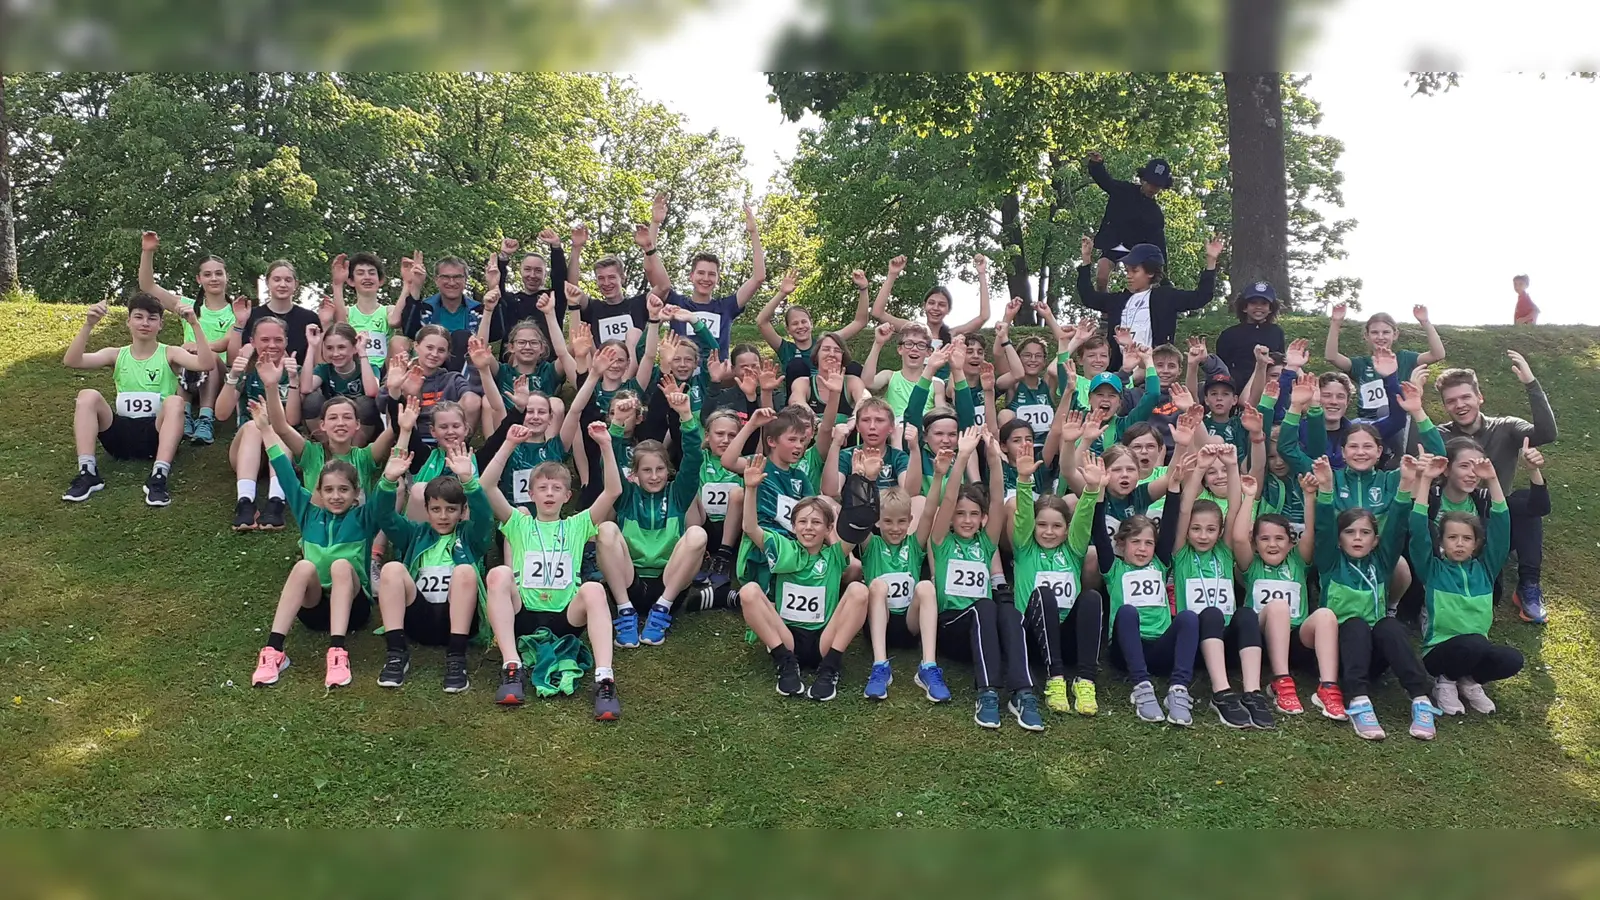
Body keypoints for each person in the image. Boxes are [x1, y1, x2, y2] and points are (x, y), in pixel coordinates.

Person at [480, 421, 625, 721]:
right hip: (523, 614)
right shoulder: (518, 523)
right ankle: (512, 668)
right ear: (530, 494)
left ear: (566, 496)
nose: (549, 493)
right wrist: (508, 444)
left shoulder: (577, 525)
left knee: (595, 589)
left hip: (565, 617)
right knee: (498, 575)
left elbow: (613, 490)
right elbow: (486, 486)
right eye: (542, 488)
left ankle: (604, 680)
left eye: (556, 488)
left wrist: (607, 446)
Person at [248, 401, 382, 689]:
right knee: (303, 566)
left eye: (344, 490)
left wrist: (395, 467)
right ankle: (273, 651)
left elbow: (384, 493)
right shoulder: (308, 512)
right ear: (317, 492)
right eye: (329, 490)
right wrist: (265, 429)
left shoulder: (364, 517)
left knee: (341, 566)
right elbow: (284, 470)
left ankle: (337, 652)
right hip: (314, 607)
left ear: (356, 493)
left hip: (354, 610)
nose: (336, 496)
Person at [1422, 353, 1558, 622]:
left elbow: (1547, 434)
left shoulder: (1505, 427)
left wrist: (1531, 383)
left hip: (1494, 516)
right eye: (1451, 401)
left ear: (1479, 397)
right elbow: (1415, 451)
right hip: (1451, 522)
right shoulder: (1440, 435)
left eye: (1465, 397)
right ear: (1445, 406)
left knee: (1524, 502)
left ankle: (1529, 584)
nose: (1459, 405)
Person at [1311, 455, 1439, 741]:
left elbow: (1396, 527)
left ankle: (1421, 699)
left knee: (1389, 626)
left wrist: (1406, 483)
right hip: (1337, 652)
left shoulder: (1381, 563)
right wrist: (1327, 489)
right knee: (1355, 624)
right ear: (1339, 538)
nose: (1357, 538)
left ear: (1375, 540)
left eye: (1365, 533)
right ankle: (1358, 701)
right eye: (1350, 532)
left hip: (1373, 654)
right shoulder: (1330, 561)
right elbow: (1322, 527)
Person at [738, 448, 874, 702]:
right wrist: (751, 489)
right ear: (793, 526)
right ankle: (785, 663)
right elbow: (749, 527)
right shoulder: (783, 547)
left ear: (828, 528)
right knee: (749, 592)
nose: (808, 528)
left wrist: (861, 480)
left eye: (816, 523)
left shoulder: (834, 554)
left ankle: (830, 668)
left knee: (859, 590)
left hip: (824, 638)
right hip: (786, 636)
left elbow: (859, 521)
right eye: (802, 522)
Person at [929, 428, 1043, 731]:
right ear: (952, 518)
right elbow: (949, 496)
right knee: (985, 606)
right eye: (960, 514)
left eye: (973, 514)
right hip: (953, 626)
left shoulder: (986, 542)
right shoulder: (942, 542)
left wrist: (994, 460)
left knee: (1007, 610)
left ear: (982, 519)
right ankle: (988, 692)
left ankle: (1023, 692)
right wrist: (962, 456)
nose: (967, 520)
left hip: (986, 627)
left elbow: (996, 500)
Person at [61, 294, 216, 507]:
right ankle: (87, 472)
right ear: (128, 322)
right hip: (120, 434)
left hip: (157, 433)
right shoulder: (116, 354)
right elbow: (72, 361)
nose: (145, 323)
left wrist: (194, 324)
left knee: (175, 402)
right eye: (138, 317)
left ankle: (159, 476)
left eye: (152, 318)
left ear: (160, 324)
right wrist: (89, 325)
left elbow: (206, 363)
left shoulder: (170, 353)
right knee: (88, 396)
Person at [371, 443, 493, 692]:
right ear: (426, 510)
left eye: (451, 510)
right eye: (436, 509)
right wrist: (388, 481)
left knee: (465, 571)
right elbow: (384, 516)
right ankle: (396, 654)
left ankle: (456, 659)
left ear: (462, 511)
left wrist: (469, 481)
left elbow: (485, 518)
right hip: (420, 619)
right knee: (392, 569)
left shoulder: (471, 536)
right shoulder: (414, 534)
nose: (444, 516)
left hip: (459, 622)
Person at [1410, 450, 1524, 717]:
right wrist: (1425, 480)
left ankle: (1470, 682)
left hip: (1476, 648)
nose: (1459, 543)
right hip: (1439, 651)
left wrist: (1493, 480)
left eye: (1466, 539)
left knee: (1512, 659)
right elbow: (1416, 530)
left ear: (1476, 544)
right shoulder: (1432, 569)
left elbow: (1501, 527)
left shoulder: (1485, 569)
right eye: (1452, 538)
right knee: (1473, 644)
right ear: (1442, 542)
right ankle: (1446, 682)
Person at [596, 380, 707, 648]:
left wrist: (686, 416)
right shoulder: (626, 494)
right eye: (647, 470)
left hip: (668, 582)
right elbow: (609, 464)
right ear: (634, 473)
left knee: (697, 534)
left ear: (668, 470)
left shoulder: (677, 493)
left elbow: (693, 459)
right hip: (629, 581)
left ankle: (661, 612)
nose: (654, 476)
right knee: (606, 530)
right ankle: (624, 612)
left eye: (659, 469)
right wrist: (618, 424)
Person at [1172, 444, 1274, 729]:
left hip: (1227, 642)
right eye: (1196, 529)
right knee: (1212, 614)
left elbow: (1233, 511)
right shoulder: (1181, 554)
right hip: (1195, 642)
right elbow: (1183, 510)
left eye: (1210, 529)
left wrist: (1232, 466)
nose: (1203, 536)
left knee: (1246, 614)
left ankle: (1253, 692)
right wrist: (1201, 468)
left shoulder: (1224, 551)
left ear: (1219, 532)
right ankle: (1221, 693)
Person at [1089, 451, 1195, 725]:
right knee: (1126, 612)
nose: (1142, 549)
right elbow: (1100, 532)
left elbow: (1170, 527)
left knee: (1188, 618)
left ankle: (1179, 689)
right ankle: (1142, 687)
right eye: (1135, 542)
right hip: (1125, 651)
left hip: (1159, 648)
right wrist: (1099, 491)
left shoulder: (1160, 564)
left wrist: (1174, 487)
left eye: (1148, 543)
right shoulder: (1113, 567)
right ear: (1122, 545)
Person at [1231, 471, 1347, 721]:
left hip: (1296, 639)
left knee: (1325, 615)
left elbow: (1311, 534)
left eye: (1279, 539)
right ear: (1256, 544)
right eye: (1264, 539)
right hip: (1261, 637)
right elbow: (1239, 538)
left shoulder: (1298, 561)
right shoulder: (1252, 564)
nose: (1272, 544)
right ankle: (1280, 682)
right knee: (1278, 608)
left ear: (1290, 542)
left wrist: (1308, 496)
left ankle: (1328, 686)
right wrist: (1249, 497)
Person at [1012, 443, 1104, 717]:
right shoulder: (1025, 548)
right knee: (1044, 594)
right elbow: (1022, 518)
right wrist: (1024, 481)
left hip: (1067, 637)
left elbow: (1084, 520)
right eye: (1042, 525)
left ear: (1066, 530)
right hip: (1032, 636)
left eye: (1056, 526)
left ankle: (1085, 681)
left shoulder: (1073, 549)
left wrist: (1091, 490)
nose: (1048, 532)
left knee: (1091, 598)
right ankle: (1056, 679)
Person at [1075, 234, 1224, 374]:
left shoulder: (1165, 297)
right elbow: (1089, 298)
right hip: (1119, 373)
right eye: (1127, 271)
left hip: (1155, 373)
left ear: (1150, 272)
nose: (1129, 276)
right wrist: (1086, 261)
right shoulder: (1118, 300)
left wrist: (1211, 261)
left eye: (1134, 271)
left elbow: (1201, 297)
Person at [137, 230, 232, 445]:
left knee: (208, 357)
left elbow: (226, 342)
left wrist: (201, 347)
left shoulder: (235, 310)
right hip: (186, 369)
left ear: (226, 276)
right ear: (199, 279)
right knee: (182, 354)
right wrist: (147, 252)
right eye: (207, 274)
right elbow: (148, 287)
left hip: (219, 375)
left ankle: (205, 418)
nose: (214, 278)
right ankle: (185, 414)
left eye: (219, 273)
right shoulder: (187, 305)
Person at [861, 486, 951, 703]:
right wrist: (865, 478)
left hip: (910, 624)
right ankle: (880, 666)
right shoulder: (870, 544)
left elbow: (929, 512)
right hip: (879, 622)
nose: (895, 528)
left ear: (910, 520)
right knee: (877, 586)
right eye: (888, 521)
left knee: (926, 587)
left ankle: (928, 666)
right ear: (877, 521)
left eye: (901, 521)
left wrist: (938, 475)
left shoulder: (914, 543)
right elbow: (858, 515)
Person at [215, 320, 300, 530]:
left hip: (282, 449)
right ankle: (245, 502)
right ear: (252, 342)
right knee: (255, 426)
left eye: (278, 339)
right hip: (247, 449)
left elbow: (293, 420)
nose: (272, 345)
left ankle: (276, 501)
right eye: (265, 340)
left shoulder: (293, 369)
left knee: (279, 426)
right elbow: (221, 413)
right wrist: (233, 376)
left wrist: (293, 380)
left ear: (286, 341)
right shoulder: (247, 369)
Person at [651, 202, 765, 355]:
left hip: (716, 375)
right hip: (682, 374)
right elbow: (652, 268)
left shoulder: (726, 307)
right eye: (701, 273)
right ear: (691, 276)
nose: (706, 278)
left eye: (712, 274)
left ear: (718, 278)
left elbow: (758, 278)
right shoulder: (676, 303)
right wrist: (655, 224)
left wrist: (753, 232)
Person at [1323, 303, 1446, 424]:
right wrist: (1336, 322)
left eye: (1386, 332)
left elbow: (1438, 354)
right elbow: (1331, 356)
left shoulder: (1405, 358)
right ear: (1366, 335)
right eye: (1375, 332)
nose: (1380, 337)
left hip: (1399, 423)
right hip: (1368, 424)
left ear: (1395, 334)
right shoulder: (1361, 364)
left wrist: (1425, 322)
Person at [758, 267, 871, 390]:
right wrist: (782, 293)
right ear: (788, 329)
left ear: (811, 324)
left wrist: (863, 288)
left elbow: (860, 322)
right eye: (795, 323)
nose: (800, 326)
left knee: (853, 367)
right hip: (798, 400)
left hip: (829, 394)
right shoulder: (785, 349)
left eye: (804, 322)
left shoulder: (826, 343)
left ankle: (853, 403)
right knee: (797, 365)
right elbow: (761, 322)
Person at [869, 253, 992, 357]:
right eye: (931, 303)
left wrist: (981, 274)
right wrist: (892, 274)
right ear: (924, 306)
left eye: (942, 304)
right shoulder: (911, 328)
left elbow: (983, 316)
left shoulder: (952, 334)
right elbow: (877, 313)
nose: (936, 308)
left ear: (948, 310)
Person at [1084, 151, 1171, 292]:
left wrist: (1164, 276)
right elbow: (1105, 181)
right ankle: (1104, 311)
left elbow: (1159, 246)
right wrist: (1096, 164)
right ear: (1143, 179)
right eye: (1150, 183)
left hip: (1135, 251)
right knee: (1101, 276)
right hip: (1113, 243)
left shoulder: (1155, 214)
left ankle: (1130, 309)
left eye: (1157, 186)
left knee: (1138, 285)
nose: (1152, 189)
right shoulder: (1124, 190)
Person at [492, 228, 582, 349]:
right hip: (512, 365)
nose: (532, 275)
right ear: (521, 271)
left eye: (538, 271)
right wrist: (504, 257)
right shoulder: (510, 300)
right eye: (528, 269)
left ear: (545, 275)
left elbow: (560, 277)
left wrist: (556, 247)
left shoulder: (553, 299)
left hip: (548, 364)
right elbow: (496, 286)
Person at [299, 322, 381, 442]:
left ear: (354, 348)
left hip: (357, 427)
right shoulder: (324, 369)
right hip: (331, 426)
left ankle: (354, 453)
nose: (335, 353)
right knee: (311, 399)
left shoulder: (369, 368)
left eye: (341, 347)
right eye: (329, 348)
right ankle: (328, 449)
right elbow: (306, 388)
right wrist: (312, 346)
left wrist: (362, 352)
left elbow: (372, 392)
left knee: (366, 403)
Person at [229, 259, 321, 365]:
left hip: (298, 377)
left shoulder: (310, 318)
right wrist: (239, 323)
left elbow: (318, 363)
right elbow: (233, 361)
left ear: (296, 284)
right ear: (268, 283)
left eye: (288, 280)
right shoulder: (251, 315)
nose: (282, 284)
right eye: (277, 280)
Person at [327, 251, 402, 370]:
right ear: (351, 281)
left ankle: (386, 386)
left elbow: (395, 321)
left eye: (371, 273)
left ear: (380, 280)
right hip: (354, 369)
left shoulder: (388, 310)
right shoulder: (347, 312)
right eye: (360, 273)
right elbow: (340, 327)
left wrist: (408, 285)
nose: (367, 277)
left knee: (399, 341)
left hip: (382, 371)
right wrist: (337, 284)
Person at [1215, 282, 1286, 387]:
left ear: (1270, 308)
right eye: (1253, 303)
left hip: (1268, 388)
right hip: (1237, 388)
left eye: (1264, 303)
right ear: (1244, 307)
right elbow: (1221, 367)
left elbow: (1280, 362)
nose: (1259, 307)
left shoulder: (1277, 332)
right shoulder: (1229, 335)